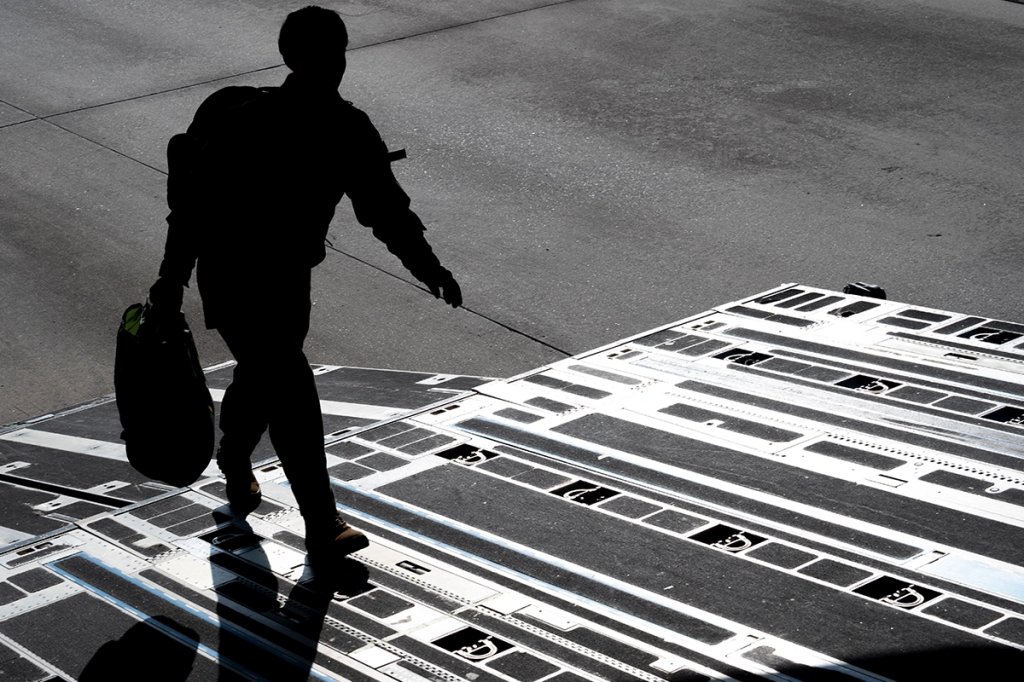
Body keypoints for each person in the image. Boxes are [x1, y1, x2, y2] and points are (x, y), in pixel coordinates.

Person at [148, 5, 462, 568]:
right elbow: (194, 209)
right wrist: (171, 279)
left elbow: (385, 209)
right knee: (287, 381)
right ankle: (321, 520)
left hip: (288, 279)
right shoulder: (245, 118)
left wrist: (427, 265)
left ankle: (233, 456)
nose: (330, 65)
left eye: (332, 54)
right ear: (307, 58)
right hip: (235, 276)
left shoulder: (342, 127)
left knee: (264, 374)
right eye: (322, 54)